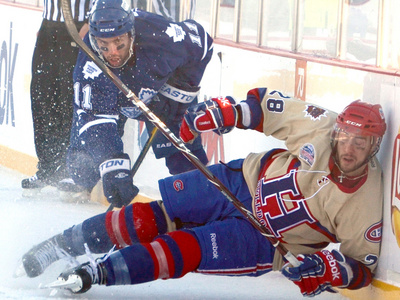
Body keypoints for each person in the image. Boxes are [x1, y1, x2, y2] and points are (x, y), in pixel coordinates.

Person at [19, 87, 386, 297]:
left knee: (184, 250)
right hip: (242, 179)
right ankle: (61, 245)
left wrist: (327, 268)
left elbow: (361, 270)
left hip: (266, 240)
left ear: (374, 147)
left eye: (361, 143)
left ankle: (94, 274)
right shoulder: (321, 124)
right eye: (345, 137)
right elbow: (266, 107)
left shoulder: (366, 202)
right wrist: (226, 111)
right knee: (152, 215)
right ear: (337, 130)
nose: (349, 149)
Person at [64, 0, 212, 208]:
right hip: (114, 98)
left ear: (131, 33)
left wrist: (177, 91)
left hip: (162, 94)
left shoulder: (161, 35)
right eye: (103, 46)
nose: (112, 53)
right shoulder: (89, 64)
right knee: (84, 159)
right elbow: (94, 119)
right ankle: (83, 184)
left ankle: (205, 202)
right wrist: (113, 163)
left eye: (119, 43)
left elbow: (203, 44)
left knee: (184, 154)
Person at [21, 0, 93, 198]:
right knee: (42, 97)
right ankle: (47, 168)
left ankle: (74, 172)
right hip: (49, 26)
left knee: (69, 99)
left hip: (79, 26)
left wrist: (91, 21)